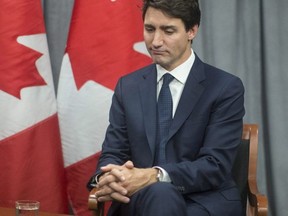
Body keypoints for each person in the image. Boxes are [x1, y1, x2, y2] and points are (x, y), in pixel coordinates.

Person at [87, 0, 245, 215]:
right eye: (149, 29)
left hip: (203, 202)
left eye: (168, 31)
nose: (156, 41)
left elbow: (214, 165)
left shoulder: (225, 87)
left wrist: (154, 175)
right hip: (138, 201)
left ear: (192, 31)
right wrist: (108, 177)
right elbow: (114, 152)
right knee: (159, 194)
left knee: (162, 193)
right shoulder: (128, 86)